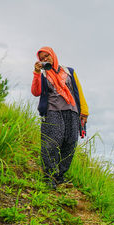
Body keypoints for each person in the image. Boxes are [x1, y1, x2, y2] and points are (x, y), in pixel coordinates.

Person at [31, 47, 89, 189]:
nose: (45, 59)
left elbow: (78, 91)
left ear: (53, 55)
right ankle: (49, 176)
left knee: (70, 143)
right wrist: (37, 72)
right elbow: (36, 92)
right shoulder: (43, 74)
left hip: (72, 111)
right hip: (52, 111)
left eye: (47, 56)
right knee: (51, 142)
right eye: (42, 58)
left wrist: (84, 111)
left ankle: (59, 175)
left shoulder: (69, 71)